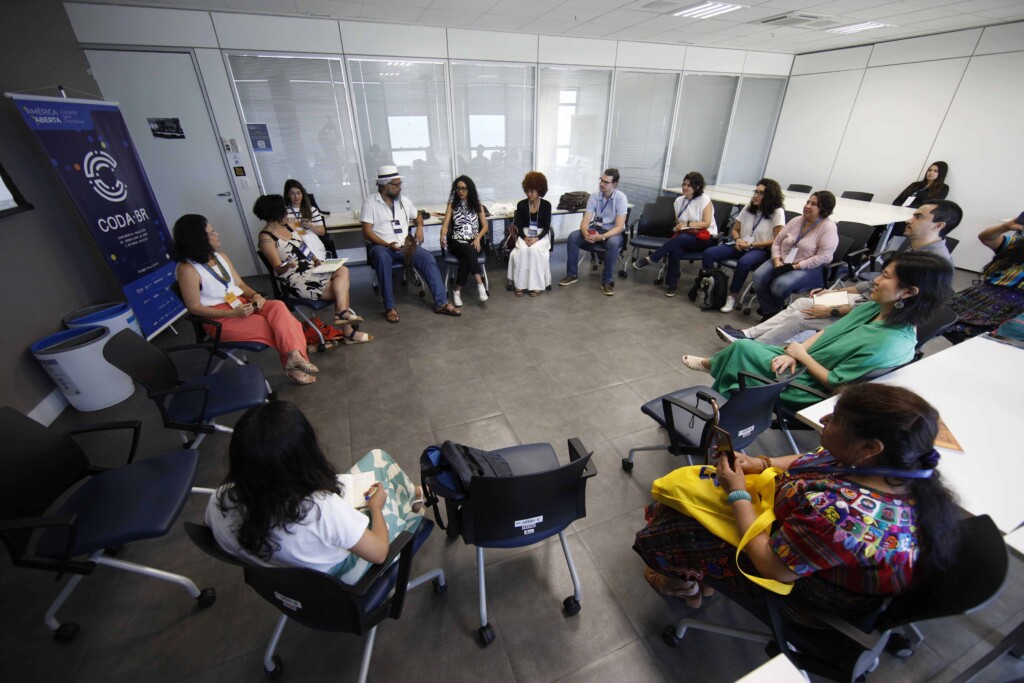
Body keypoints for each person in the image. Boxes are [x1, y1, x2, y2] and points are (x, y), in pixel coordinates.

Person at [633, 383, 960, 626]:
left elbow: (771, 565)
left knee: (680, 521)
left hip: (808, 596)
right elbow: (817, 459)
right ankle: (694, 577)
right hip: (807, 546)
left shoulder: (840, 517)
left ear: (869, 446)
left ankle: (681, 584)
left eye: (836, 419)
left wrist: (737, 493)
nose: (825, 417)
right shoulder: (893, 467)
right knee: (695, 492)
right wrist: (761, 463)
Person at [682, 251, 954, 410]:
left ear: (908, 292)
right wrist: (794, 354)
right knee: (758, 338)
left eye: (885, 276)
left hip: (807, 386)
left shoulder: (891, 343)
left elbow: (836, 383)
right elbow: (828, 334)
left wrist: (800, 355)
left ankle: (720, 409)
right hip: (800, 362)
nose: (875, 280)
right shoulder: (876, 308)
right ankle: (720, 397)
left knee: (741, 351)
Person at [206, 401, 425, 583]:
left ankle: (414, 492)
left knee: (377, 459)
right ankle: (414, 500)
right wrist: (375, 509)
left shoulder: (219, 500)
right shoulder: (319, 509)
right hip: (343, 584)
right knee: (397, 503)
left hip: (286, 583)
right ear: (304, 456)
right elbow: (379, 553)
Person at [717, 200, 960, 346]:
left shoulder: (935, 264)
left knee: (803, 316)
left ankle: (753, 347)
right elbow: (871, 285)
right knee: (805, 301)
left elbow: (886, 308)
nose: (910, 219)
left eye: (918, 216)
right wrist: (834, 293)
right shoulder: (913, 247)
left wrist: (834, 308)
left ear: (938, 225)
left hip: (874, 315)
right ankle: (747, 334)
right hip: (865, 301)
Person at [173, 214, 317, 385]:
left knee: (278, 306)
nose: (217, 234)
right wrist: (233, 314)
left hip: (241, 303)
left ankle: (294, 358)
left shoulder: (221, 257)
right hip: (219, 318)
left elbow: (240, 284)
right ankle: (294, 364)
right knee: (280, 326)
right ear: (197, 239)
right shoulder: (187, 269)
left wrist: (255, 295)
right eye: (211, 233)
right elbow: (194, 308)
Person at [255, 194, 371, 344]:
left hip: (312, 270)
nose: (286, 210)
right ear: (275, 212)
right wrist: (287, 265)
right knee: (340, 289)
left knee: (342, 270)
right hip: (297, 280)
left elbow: (303, 247)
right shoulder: (266, 238)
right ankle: (347, 328)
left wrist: (316, 260)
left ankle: (342, 316)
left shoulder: (289, 227)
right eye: (283, 208)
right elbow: (278, 268)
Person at [361, 165, 461, 323]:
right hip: (382, 247)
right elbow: (367, 231)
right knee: (381, 257)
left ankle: (441, 303)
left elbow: (418, 216)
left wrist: (419, 227)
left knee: (428, 258)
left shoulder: (404, 201)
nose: (400, 187)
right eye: (397, 184)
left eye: (400, 184)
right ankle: (390, 307)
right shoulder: (370, 203)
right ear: (385, 186)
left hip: (404, 245)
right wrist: (387, 245)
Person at [750, 191, 839, 321]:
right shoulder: (797, 220)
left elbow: (823, 257)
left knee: (781, 285)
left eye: (813, 204)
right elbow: (777, 242)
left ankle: (771, 311)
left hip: (809, 267)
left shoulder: (828, 228)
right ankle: (771, 311)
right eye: (808, 202)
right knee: (758, 276)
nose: (807, 206)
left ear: (824, 209)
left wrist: (796, 266)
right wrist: (776, 259)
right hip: (783, 260)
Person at [700, 179, 785, 312]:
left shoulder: (777, 212)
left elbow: (777, 240)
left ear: (770, 196)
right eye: (756, 191)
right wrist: (738, 239)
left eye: (761, 193)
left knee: (744, 262)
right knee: (709, 253)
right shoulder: (749, 207)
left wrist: (752, 244)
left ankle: (732, 296)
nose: (756, 195)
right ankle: (712, 287)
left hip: (760, 248)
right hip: (740, 244)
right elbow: (735, 229)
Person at [632, 171, 718, 297]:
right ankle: (672, 285)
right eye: (684, 184)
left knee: (681, 239)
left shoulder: (704, 199)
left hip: (704, 238)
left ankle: (651, 258)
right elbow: (680, 221)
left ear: (697, 187)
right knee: (675, 249)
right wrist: (680, 226)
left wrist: (687, 224)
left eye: (689, 185)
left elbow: (706, 223)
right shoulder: (679, 201)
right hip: (686, 236)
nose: (685, 187)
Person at [944, 212, 1024, 344]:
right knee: (933, 316)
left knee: (992, 340)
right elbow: (986, 238)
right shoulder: (1017, 245)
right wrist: (1006, 226)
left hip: (1013, 307)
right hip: (982, 296)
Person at [560, 168, 628, 296]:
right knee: (573, 237)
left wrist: (601, 237)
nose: (601, 184)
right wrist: (586, 233)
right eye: (601, 180)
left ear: (614, 184)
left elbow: (619, 227)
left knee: (613, 243)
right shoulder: (594, 196)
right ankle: (572, 274)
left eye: (606, 182)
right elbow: (585, 221)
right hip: (596, 229)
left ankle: (607, 281)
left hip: (612, 232)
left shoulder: (621, 198)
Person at [439, 175, 489, 307]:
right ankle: (480, 284)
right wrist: (442, 236)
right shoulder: (452, 205)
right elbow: (445, 225)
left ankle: (457, 291)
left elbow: (485, 226)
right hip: (457, 242)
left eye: (464, 188)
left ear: (469, 189)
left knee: (466, 257)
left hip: (474, 240)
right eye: (458, 188)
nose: (460, 191)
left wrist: (478, 237)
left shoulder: (478, 206)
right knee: (467, 250)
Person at [507, 171, 553, 296]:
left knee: (534, 251)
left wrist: (537, 238)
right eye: (527, 191)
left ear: (540, 190)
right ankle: (520, 285)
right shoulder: (521, 205)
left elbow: (547, 226)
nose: (529, 194)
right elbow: (519, 226)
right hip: (525, 234)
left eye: (532, 191)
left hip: (540, 235)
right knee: (521, 250)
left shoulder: (546, 205)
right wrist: (525, 237)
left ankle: (536, 285)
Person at [283, 179, 328, 259]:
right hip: (295, 243)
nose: (296, 197)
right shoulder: (283, 212)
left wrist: (311, 226)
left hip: (312, 242)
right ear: (287, 195)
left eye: (298, 193)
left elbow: (322, 232)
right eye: (292, 193)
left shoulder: (312, 210)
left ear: (303, 194)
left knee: (316, 260)